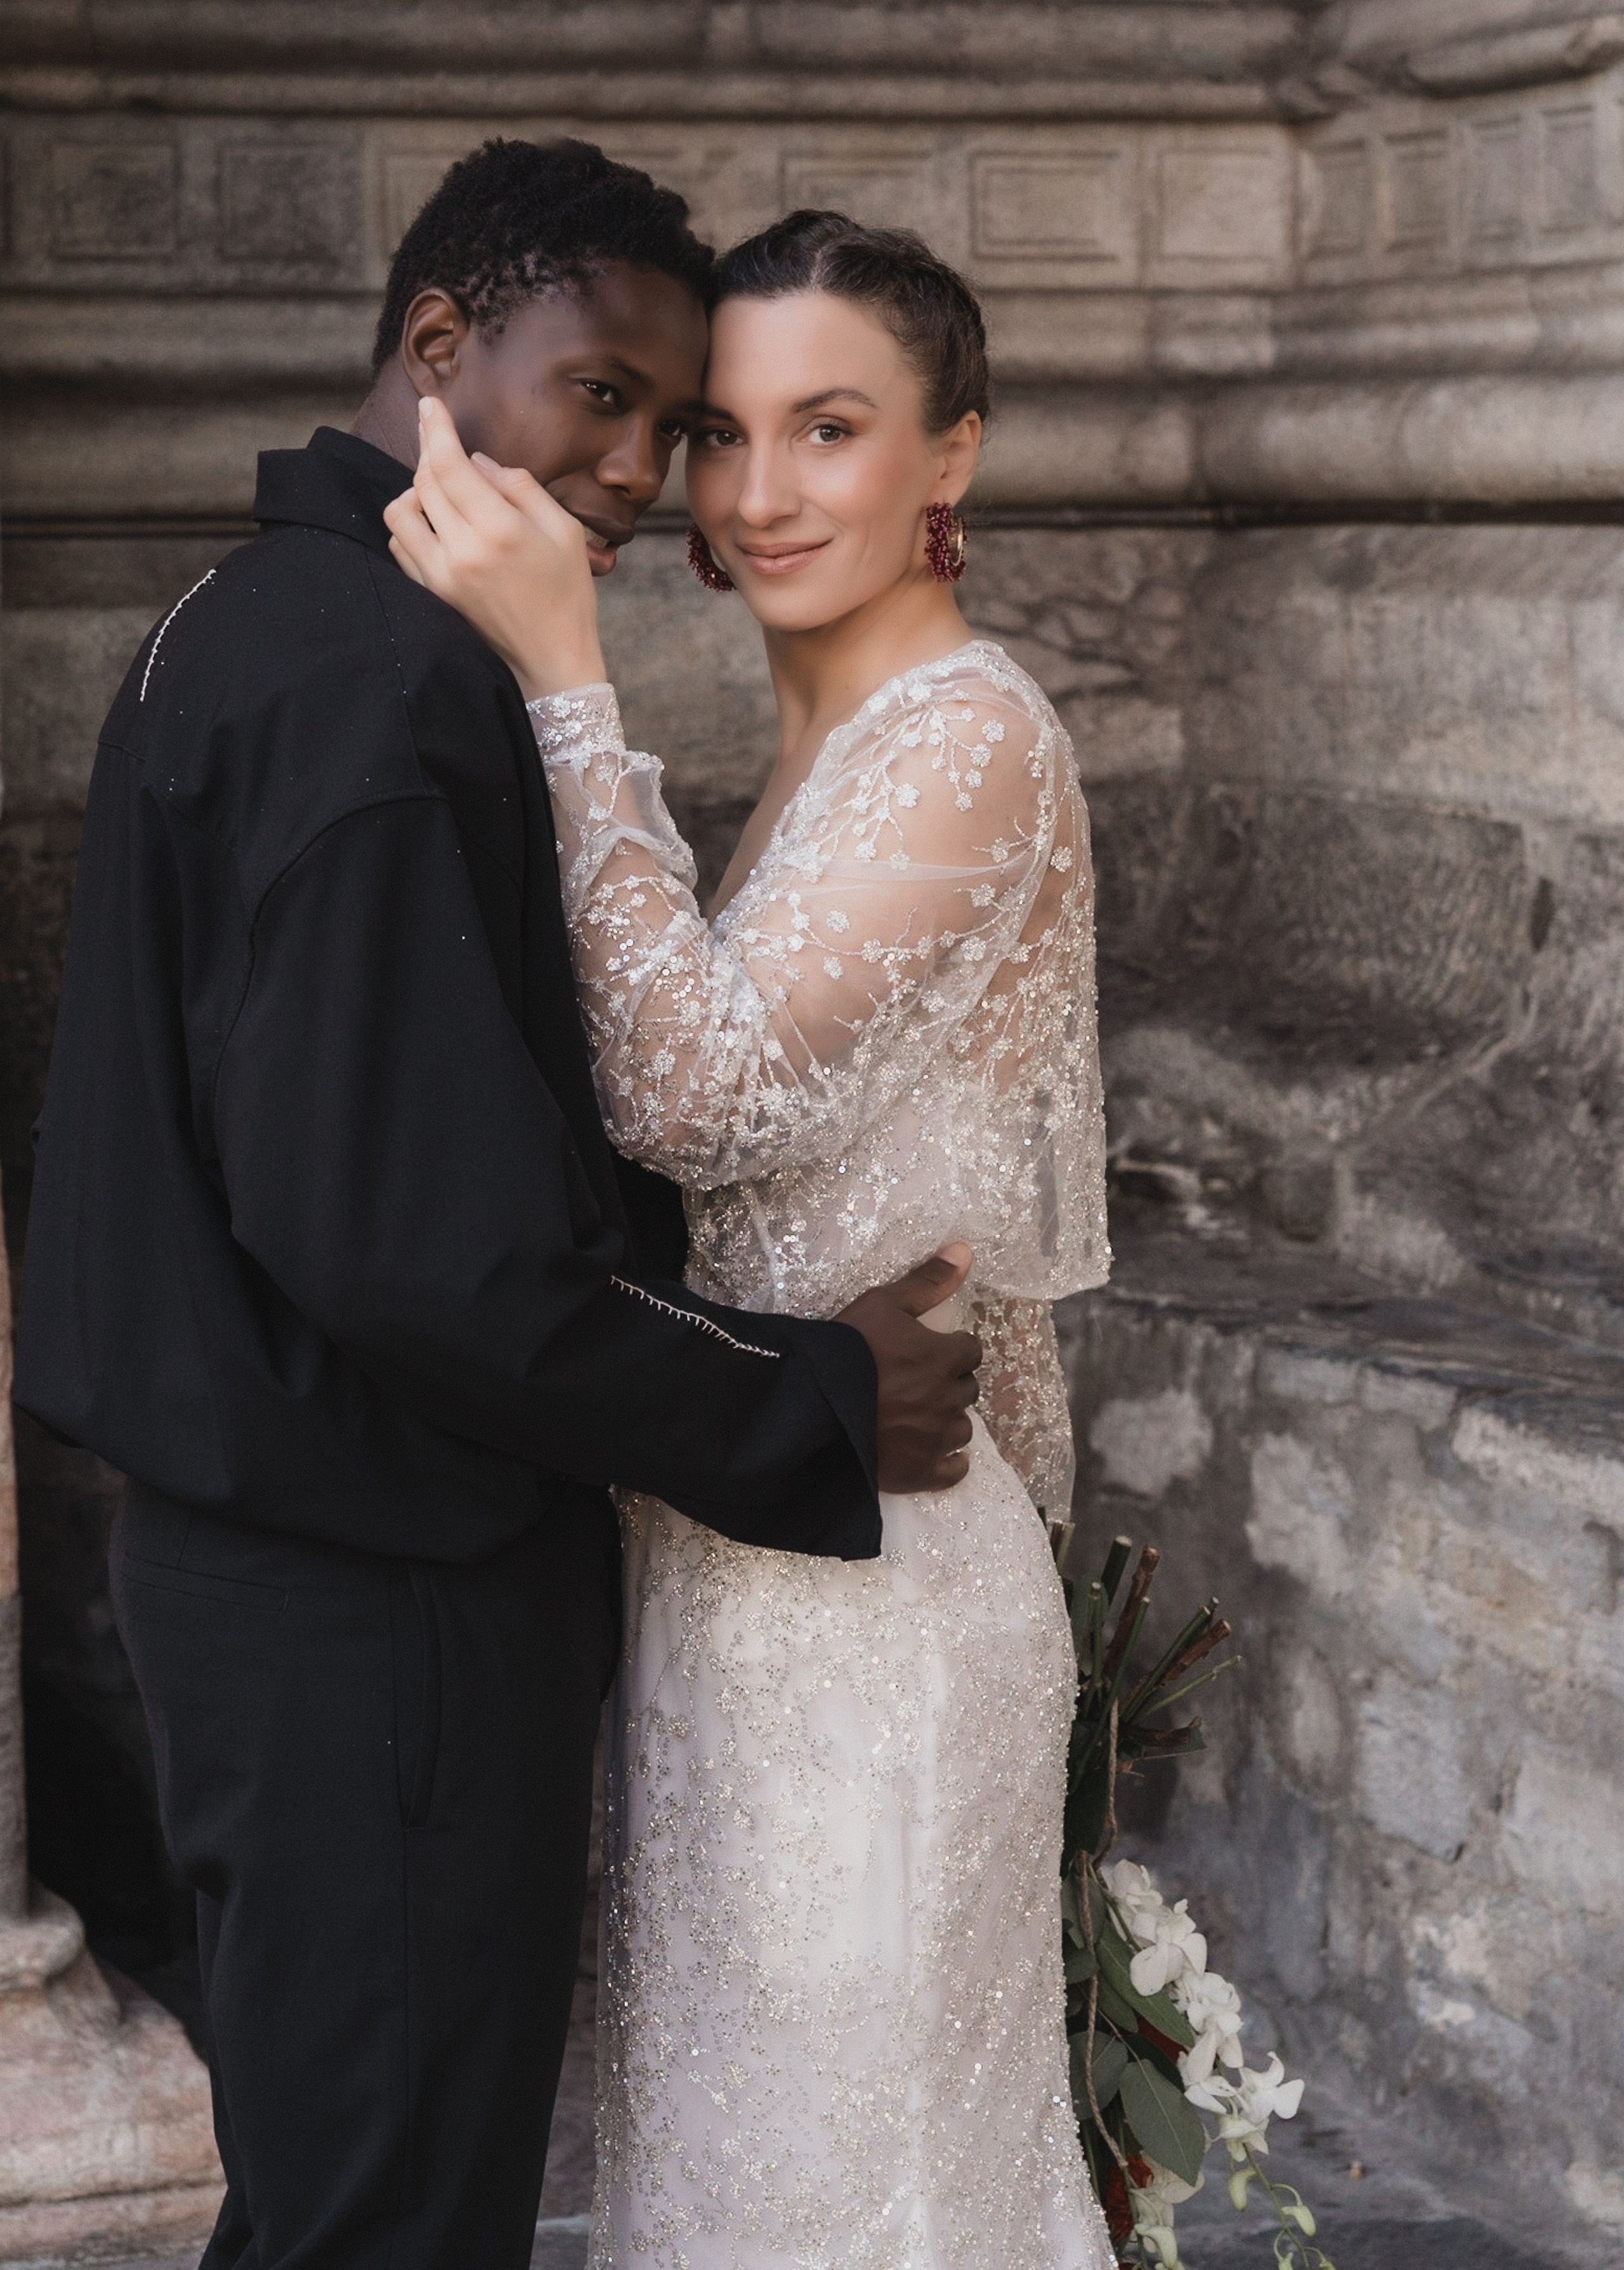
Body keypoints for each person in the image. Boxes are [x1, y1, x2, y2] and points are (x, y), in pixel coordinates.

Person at [13, 145, 983, 2270]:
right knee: (392, 2224)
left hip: (284, 1580)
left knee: (348, 2196)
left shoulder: (264, 620)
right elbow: (418, 1250)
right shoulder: (374, 680)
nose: (646, 467)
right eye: (603, 393)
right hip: (379, 1617)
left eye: (680, 418)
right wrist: (818, 1398)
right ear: (442, 349)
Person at [386, 209, 1116, 2268]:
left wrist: (559, 672)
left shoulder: (972, 737)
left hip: (879, 1610)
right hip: (734, 1560)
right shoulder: (814, 753)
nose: (758, 492)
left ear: (950, 457)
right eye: (724, 433)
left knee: (863, 2195)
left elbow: (693, 1103)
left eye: (832, 429)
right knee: (726, 2185)